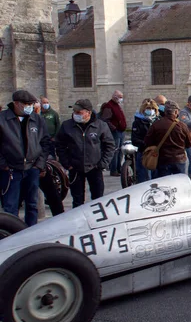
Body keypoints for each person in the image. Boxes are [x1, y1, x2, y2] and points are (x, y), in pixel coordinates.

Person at [0, 90, 51, 226]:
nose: (30, 106)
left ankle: (31, 231)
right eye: (26, 104)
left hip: (32, 168)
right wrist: (3, 164)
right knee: (10, 204)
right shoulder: (2, 120)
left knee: (32, 203)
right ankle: (10, 234)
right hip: (11, 170)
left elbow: (45, 143)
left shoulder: (37, 119)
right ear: (16, 103)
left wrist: (39, 164)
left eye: (31, 104)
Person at [55, 99, 115, 208]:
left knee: (98, 199)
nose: (76, 114)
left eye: (79, 112)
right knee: (77, 200)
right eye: (74, 112)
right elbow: (60, 145)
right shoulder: (67, 125)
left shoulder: (100, 125)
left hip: (95, 167)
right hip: (75, 168)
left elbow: (110, 145)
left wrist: (103, 163)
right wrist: (66, 163)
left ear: (88, 113)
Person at [145, 101, 191, 177]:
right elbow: (189, 143)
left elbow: (148, 142)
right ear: (176, 112)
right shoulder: (182, 126)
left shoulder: (156, 125)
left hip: (162, 160)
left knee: (163, 185)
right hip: (179, 160)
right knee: (179, 183)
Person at [131, 98, 159, 183]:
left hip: (156, 152)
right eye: (148, 109)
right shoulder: (138, 122)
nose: (151, 111)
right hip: (144, 152)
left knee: (156, 177)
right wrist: (145, 144)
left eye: (152, 109)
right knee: (144, 178)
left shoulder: (158, 121)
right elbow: (134, 139)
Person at [101, 90, 126, 176]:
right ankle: (114, 169)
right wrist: (114, 128)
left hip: (121, 131)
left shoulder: (117, 105)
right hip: (115, 132)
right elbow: (105, 119)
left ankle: (119, 169)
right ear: (115, 97)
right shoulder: (109, 106)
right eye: (120, 97)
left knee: (120, 151)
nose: (121, 99)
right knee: (115, 151)